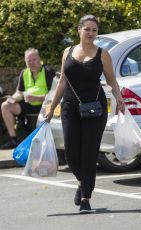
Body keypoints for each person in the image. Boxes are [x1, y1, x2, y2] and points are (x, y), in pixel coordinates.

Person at [46, 15, 125, 213]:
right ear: (79, 30)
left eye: (94, 30)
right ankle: (83, 183)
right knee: (72, 154)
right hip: (70, 107)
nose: (91, 33)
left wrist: (120, 98)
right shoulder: (68, 51)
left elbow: (112, 81)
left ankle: (85, 198)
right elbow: (62, 82)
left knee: (89, 154)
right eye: (87, 29)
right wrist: (50, 108)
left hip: (95, 108)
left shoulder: (103, 54)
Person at [1, 48, 55, 149]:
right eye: (28, 61)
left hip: (44, 106)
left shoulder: (48, 71)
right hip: (28, 105)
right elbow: (20, 92)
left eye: (34, 60)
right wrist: (13, 98)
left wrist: (36, 97)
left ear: (39, 59)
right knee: (5, 106)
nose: (31, 63)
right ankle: (12, 140)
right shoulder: (24, 72)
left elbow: (53, 94)